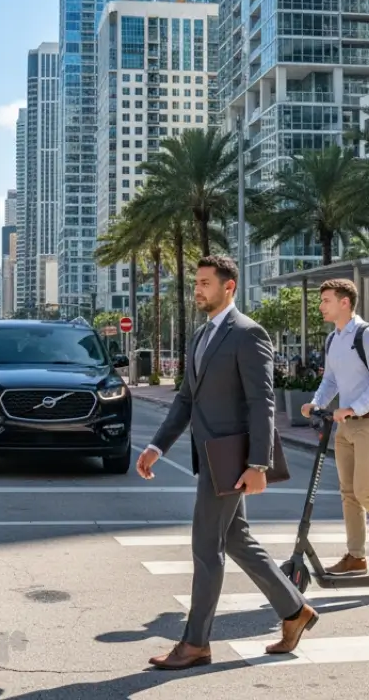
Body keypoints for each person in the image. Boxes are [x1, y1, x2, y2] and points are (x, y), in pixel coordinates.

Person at [136, 255, 317, 670]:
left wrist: (258, 463)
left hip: (233, 459)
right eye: (196, 283)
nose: (197, 289)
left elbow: (262, 403)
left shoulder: (248, 334)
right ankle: (295, 610)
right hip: (212, 459)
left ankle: (196, 642)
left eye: (204, 283)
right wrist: (156, 447)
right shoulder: (200, 335)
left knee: (206, 545)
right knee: (236, 540)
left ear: (229, 286)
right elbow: (185, 399)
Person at [300, 278, 369, 577]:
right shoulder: (334, 338)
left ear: (344, 302)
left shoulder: (368, 335)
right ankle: (356, 556)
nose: (321, 306)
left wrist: (353, 408)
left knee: (366, 490)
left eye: (326, 300)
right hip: (345, 426)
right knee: (348, 492)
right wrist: (316, 402)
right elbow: (331, 380)